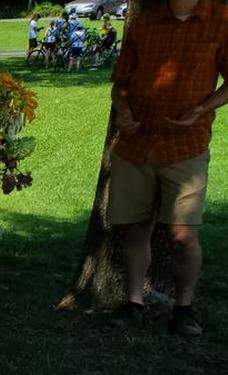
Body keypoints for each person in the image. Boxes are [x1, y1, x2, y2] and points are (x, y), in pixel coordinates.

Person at [108, 0, 228, 335]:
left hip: (185, 145)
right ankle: (134, 304)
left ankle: (184, 309)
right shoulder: (145, 22)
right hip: (135, 146)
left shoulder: (220, 19)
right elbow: (121, 83)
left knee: (183, 235)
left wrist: (202, 109)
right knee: (135, 228)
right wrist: (123, 109)